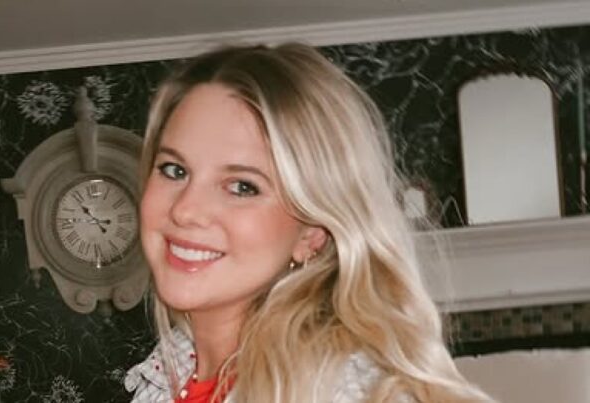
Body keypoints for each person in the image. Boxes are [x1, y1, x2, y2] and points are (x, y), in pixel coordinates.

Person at [125, 43, 492, 403]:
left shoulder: (348, 391)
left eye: (242, 187)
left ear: (312, 233)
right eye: (174, 170)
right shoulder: (163, 378)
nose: (186, 210)